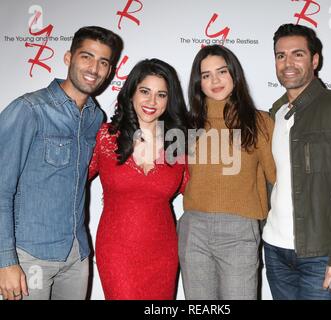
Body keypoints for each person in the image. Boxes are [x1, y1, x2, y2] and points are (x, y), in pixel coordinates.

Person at [0, 26, 123, 300]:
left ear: (110, 70)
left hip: (76, 256)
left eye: (103, 62)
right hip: (30, 257)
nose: (94, 68)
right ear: (69, 58)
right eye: (86, 57)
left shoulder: (95, 118)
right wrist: (5, 260)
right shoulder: (30, 109)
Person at [262, 23, 331, 300]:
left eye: (297, 54)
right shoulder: (273, 114)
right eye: (280, 55)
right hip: (275, 251)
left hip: (323, 254)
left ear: (315, 60)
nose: (288, 63)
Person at [178, 44, 276, 300]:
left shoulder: (260, 122)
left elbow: (276, 177)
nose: (215, 80)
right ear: (199, 83)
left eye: (222, 72)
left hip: (240, 229)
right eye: (207, 75)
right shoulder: (186, 125)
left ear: (235, 75)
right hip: (194, 229)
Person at [88, 58, 189, 300]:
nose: (152, 101)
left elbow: (199, 193)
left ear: (169, 100)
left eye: (161, 94)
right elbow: (70, 181)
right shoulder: (105, 137)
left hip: (163, 252)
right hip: (117, 251)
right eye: (145, 91)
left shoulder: (179, 145)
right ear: (131, 92)